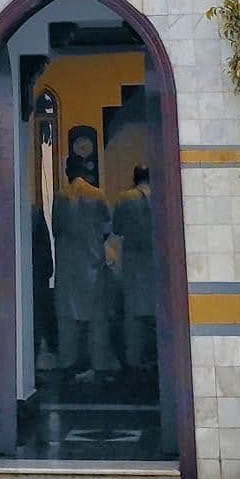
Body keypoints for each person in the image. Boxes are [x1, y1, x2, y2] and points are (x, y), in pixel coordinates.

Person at [52, 149, 114, 379]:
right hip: (92, 266)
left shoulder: (60, 196)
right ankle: (99, 364)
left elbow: (57, 229)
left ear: (68, 171)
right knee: (97, 320)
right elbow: (108, 228)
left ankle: (67, 364)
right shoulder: (97, 195)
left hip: (68, 268)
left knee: (68, 320)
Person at [111, 165, 157, 371]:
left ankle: (134, 361)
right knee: (158, 311)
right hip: (158, 259)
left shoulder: (125, 198)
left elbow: (116, 228)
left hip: (133, 260)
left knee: (133, 313)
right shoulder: (163, 196)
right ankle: (156, 357)